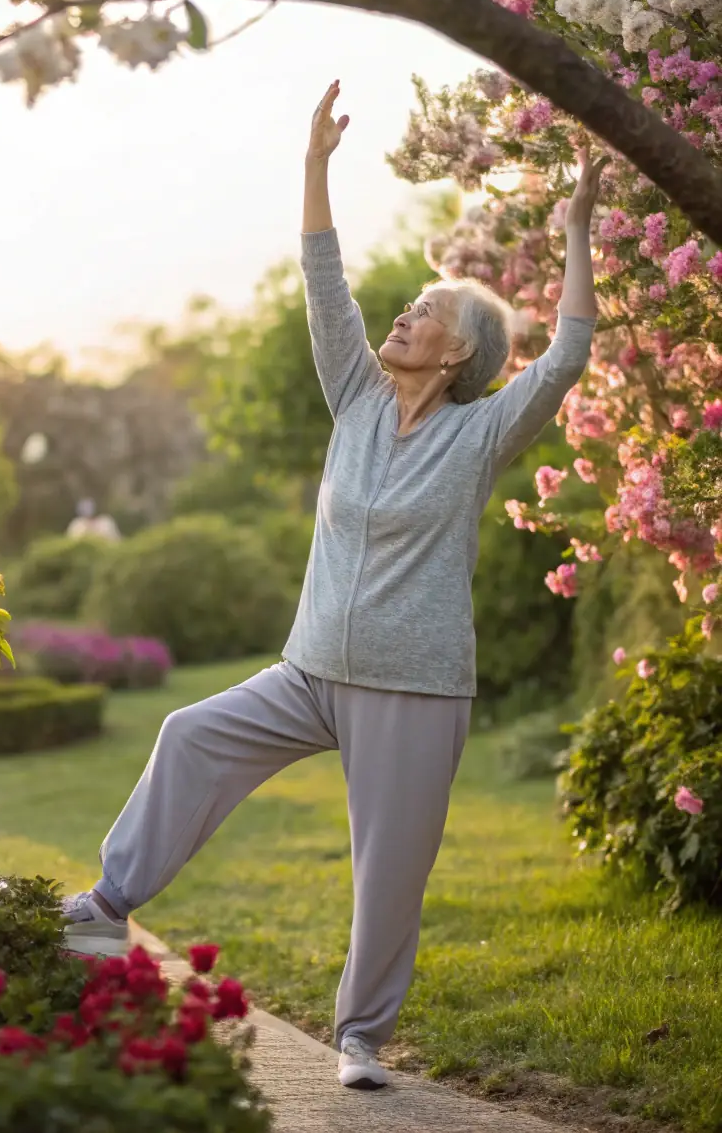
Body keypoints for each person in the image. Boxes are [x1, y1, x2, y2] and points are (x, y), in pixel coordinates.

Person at [60, 80, 602, 1090]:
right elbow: (323, 280)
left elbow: (569, 351)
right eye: (405, 309)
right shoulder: (353, 397)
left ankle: (360, 1037)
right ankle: (107, 900)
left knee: (386, 872)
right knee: (189, 733)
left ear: (460, 354)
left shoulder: (480, 433)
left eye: (424, 314)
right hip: (310, 669)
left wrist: (572, 223)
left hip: (412, 683)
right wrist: (313, 165)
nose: (401, 318)